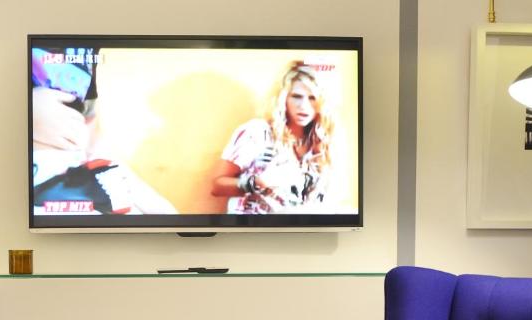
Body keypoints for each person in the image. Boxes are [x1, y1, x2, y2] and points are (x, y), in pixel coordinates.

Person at [31, 46, 176, 215]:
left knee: (163, 213)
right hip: (36, 171)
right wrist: (27, 110)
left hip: (76, 164)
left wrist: (109, 166)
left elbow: (88, 114)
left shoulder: (85, 52)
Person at [211, 62, 335, 214]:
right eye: (296, 96)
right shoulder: (257, 132)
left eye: (312, 98)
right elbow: (217, 186)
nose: (303, 105)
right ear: (283, 98)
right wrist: (255, 183)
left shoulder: (322, 145)